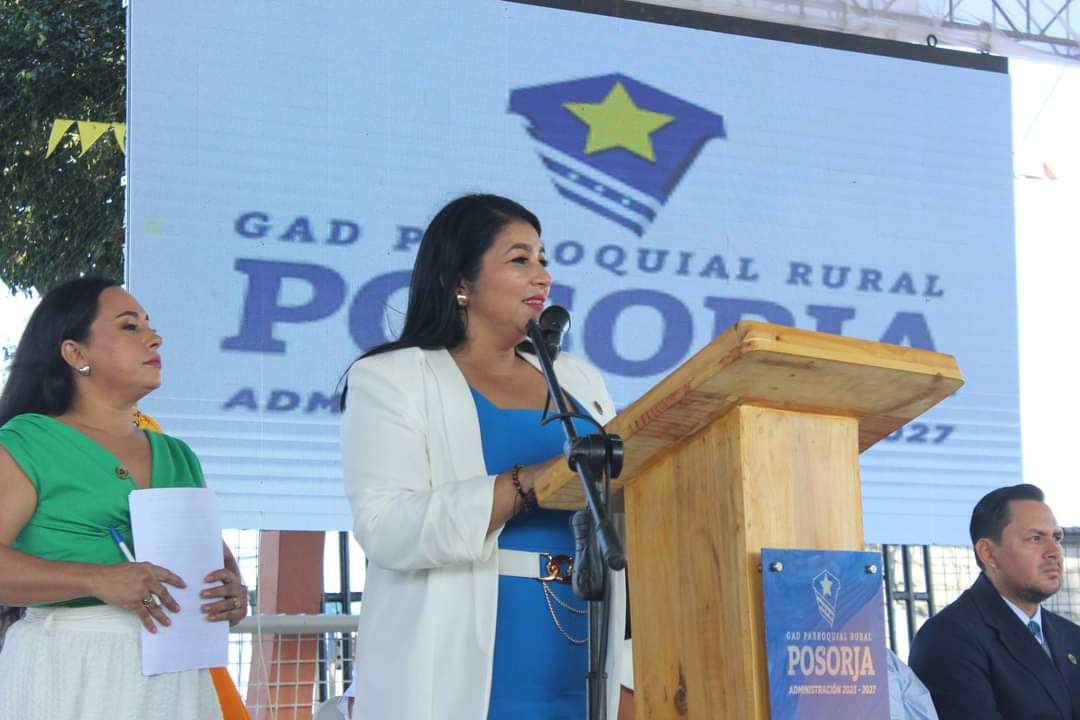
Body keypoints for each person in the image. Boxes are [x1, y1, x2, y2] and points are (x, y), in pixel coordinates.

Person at [340, 193, 625, 719]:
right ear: (460, 281)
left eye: (543, 260)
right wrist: (527, 483)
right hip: (462, 661)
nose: (542, 277)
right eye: (520, 260)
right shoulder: (394, 377)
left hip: (586, 646)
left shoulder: (579, 379)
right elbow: (385, 528)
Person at [0, 276, 249, 720]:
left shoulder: (178, 455)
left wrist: (231, 592)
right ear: (76, 353)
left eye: (150, 326)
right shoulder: (27, 441)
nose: (155, 338)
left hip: (180, 675)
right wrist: (97, 579)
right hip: (73, 667)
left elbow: (217, 560)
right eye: (130, 326)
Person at [908, 483, 1080, 719]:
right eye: (1035, 538)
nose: (1054, 551)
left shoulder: (1070, 636)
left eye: (1057, 537)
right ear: (988, 553)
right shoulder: (948, 638)